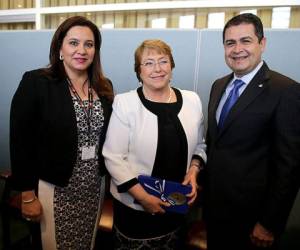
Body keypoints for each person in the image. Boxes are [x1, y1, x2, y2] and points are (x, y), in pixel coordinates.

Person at [10, 16, 114, 250]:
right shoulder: (36, 82)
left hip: (93, 188)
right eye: (73, 43)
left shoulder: (103, 87)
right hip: (53, 187)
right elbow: (20, 142)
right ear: (59, 48)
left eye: (89, 44)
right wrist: (27, 195)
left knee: (87, 243)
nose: (81, 50)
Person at [205, 13, 300, 250]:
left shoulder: (285, 90)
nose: (237, 49)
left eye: (246, 41)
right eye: (230, 43)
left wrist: (269, 223)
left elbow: (289, 167)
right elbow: (215, 144)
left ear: (262, 44)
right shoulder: (218, 86)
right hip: (215, 212)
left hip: (253, 221)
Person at [102, 39, 207, 249]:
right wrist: (144, 198)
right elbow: (113, 157)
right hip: (135, 207)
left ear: (172, 66)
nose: (157, 69)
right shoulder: (125, 103)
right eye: (149, 63)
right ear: (138, 71)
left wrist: (193, 172)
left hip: (176, 204)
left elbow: (200, 145)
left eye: (163, 61)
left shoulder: (192, 100)